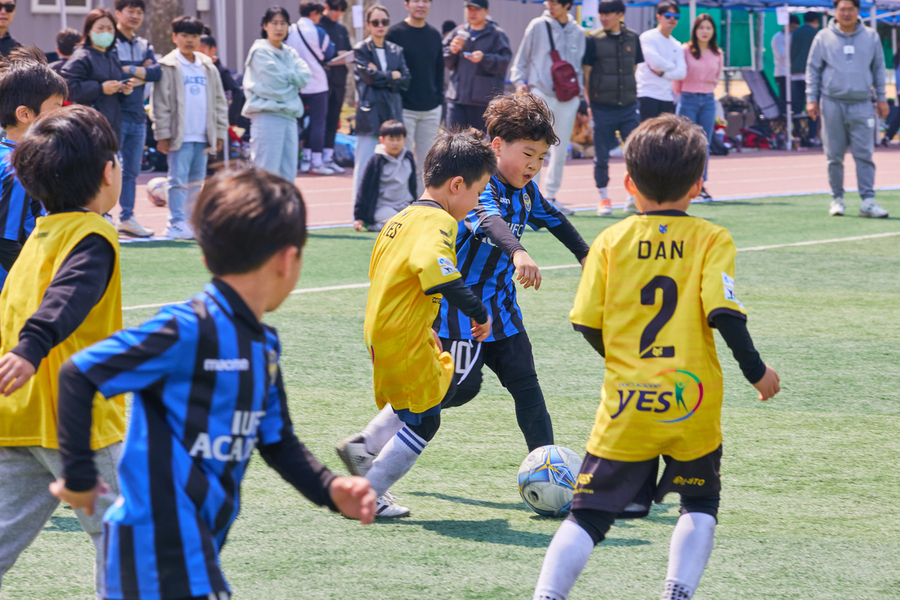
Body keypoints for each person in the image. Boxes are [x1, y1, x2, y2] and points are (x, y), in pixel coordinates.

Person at [49, 167, 377, 600]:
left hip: (198, 545)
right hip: (155, 547)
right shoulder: (184, 329)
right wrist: (78, 477)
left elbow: (277, 442)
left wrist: (330, 488)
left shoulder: (264, 346)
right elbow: (79, 374)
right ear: (287, 259)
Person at [531, 114, 781, 600]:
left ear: (628, 181)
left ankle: (546, 596)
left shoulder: (607, 241)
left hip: (627, 403)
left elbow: (584, 320)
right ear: (698, 184)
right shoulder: (712, 239)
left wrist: (625, 363)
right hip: (693, 402)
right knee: (700, 501)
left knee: (588, 515)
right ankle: (676, 592)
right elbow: (725, 314)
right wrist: (757, 372)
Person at [338, 93, 590, 517]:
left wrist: (587, 255)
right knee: (450, 393)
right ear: (496, 147)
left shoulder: (527, 192)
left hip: (502, 313)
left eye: (541, 157)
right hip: (461, 314)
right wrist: (518, 253)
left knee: (527, 387)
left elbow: (554, 218)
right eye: (527, 153)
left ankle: (554, 474)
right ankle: (369, 444)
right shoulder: (479, 184)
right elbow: (489, 223)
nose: (533, 165)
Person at [0, 105, 126, 599]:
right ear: (106, 172)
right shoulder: (93, 234)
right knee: (127, 536)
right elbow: (68, 297)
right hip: (77, 423)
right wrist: (32, 347)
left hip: (18, 418)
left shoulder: (39, 234)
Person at [337, 129, 495, 518]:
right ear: (456, 185)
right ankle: (368, 494)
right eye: (477, 194)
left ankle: (365, 445)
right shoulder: (439, 222)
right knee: (426, 420)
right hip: (402, 334)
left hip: (384, 329)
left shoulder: (401, 217)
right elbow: (438, 273)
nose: (476, 203)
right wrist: (478, 312)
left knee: (430, 393)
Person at [806, 0, 890, 218]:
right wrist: (811, 98)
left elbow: (879, 68)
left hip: (863, 103)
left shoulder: (871, 37)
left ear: (857, 11)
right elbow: (813, 69)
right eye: (842, 9)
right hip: (831, 102)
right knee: (833, 155)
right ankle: (837, 199)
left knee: (864, 154)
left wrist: (882, 98)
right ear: (835, 11)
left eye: (850, 9)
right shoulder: (823, 37)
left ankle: (868, 201)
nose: (846, 13)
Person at [151, 16, 228, 239]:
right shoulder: (168, 65)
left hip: (203, 134)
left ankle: (190, 221)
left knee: (196, 181)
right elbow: (160, 103)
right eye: (184, 35)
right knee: (177, 180)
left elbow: (219, 100)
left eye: (194, 36)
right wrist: (162, 134)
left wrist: (220, 131)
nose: (189, 40)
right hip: (179, 135)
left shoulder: (207, 65)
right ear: (175, 37)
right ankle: (175, 222)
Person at [511, 0, 585, 216]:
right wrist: (518, 81)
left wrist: (579, 96)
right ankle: (530, 199)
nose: (550, 5)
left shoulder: (578, 32)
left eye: (555, 2)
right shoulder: (537, 25)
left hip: (568, 97)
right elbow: (522, 58)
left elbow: (578, 66)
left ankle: (550, 197)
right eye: (548, 1)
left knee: (560, 149)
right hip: (540, 92)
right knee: (534, 146)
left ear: (567, 4)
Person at [0, 48, 65, 291]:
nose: (62, 115)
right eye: (56, 107)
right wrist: (37, 285)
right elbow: (5, 243)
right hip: (12, 289)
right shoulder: (19, 169)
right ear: (25, 114)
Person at [582, 0, 643, 216]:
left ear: (620, 14)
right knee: (601, 155)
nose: (603, 18)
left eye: (608, 14)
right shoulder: (593, 39)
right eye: (601, 14)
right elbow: (587, 73)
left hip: (628, 105)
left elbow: (633, 68)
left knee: (636, 152)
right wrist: (590, 104)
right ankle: (603, 198)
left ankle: (633, 196)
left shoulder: (633, 38)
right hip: (602, 107)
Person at [242, 6, 311, 183]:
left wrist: (288, 77)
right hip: (267, 117)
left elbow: (305, 77)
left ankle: (283, 212)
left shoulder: (290, 52)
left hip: (289, 117)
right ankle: (262, 212)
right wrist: (292, 82)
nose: (279, 28)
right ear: (265, 25)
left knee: (288, 176)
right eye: (274, 23)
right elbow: (276, 85)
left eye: (283, 23)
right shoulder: (260, 51)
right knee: (266, 174)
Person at [351, 5, 410, 200]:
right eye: (375, 22)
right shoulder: (361, 49)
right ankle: (358, 215)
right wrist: (391, 76)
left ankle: (388, 210)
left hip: (392, 112)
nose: (380, 26)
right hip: (370, 115)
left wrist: (379, 75)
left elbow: (406, 80)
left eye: (384, 22)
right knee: (365, 164)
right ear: (368, 25)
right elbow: (369, 79)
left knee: (393, 167)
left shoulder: (396, 50)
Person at [387, 0, 444, 196]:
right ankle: (401, 202)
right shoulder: (394, 34)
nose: (421, 5)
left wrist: (439, 102)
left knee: (428, 161)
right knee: (402, 158)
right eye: (416, 1)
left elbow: (439, 72)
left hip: (430, 108)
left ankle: (422, 202)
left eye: (425, 1)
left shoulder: (435, 35)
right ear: (406, 4)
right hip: (404, 108)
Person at [113, 0, 160, 238]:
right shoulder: (110, 41)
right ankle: (106, 216)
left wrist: (130, 72)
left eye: (139, 11)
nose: (135, 15)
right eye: (130, 10)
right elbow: (112, 71)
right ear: (118, 12)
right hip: (115, 116)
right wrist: (141, 69)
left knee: (131, 171)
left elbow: (156, 72)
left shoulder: (144, 43)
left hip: (138, 117)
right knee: (111, 169)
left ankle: (127, 217)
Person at [61, 8, 135, 147]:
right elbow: (67, 87)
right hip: (87, 129)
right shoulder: (81, 56)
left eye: (110, 28)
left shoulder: (112, 57)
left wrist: (123, 90)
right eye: (100, 28)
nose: (106, 32)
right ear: (89, 31)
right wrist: (100, 88)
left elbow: (117, 96)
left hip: (111, 128)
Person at [674, 13, 723, 202]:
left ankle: (700, 184)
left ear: (713, 32)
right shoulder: (685, 50)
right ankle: (681, 184)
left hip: (709, 100)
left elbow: (717, 77)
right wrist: (684, 94)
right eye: (701, 27)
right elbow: (678, 79)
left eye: (708, 28)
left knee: (704, 143)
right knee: (684, 143)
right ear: (695, 30)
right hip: (687, 98)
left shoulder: (717, 53)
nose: (705, 31)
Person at [443, 0, 512, 131]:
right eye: (469, 9)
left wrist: (484, 58)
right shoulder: (459, 31)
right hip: (457, 97)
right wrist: (453, 50)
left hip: (483, 101)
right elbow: (443, 59)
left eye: (476, 9)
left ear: (486, 11)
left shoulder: (497, 34)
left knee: (481, 143)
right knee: (452, 139)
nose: (472, 13)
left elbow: (504, 62)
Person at [287, 0, 337, 175]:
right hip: (317, 83)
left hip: (296, 85)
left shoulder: (290, 30)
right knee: (317, 124)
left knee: (295, 123)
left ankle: (299, 159)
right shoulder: (318, 31)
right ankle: (316, 161)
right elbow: (329, 53)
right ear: (315, 12)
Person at [353, 120, 417, 232]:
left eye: (399, 139)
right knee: (400, 224)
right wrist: (359, 217)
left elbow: (412, 185)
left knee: (416, 225)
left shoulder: (408, 157)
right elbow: (364, 188)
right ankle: (374, 225)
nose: (395, 143)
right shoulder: (376, 161)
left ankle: (383, 226)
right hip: (382, 207)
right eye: (391, 139)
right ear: (381, 140)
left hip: (404, 206)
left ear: (404, 140)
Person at [636, 1, 685, 121]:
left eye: (676, 16)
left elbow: (682, 73)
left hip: (667, 97)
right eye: (668, 15)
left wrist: (663, 73)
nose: (672, 18)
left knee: (665, 137)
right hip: (647, 94)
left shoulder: (676, 44)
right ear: (658, 16)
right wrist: (673, 67)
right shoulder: (647, 37)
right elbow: (656, 64)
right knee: (646, 136)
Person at [319, 0, 352, 173]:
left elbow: (349, 50)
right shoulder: (318, 25)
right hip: (321, 80)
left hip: (339, 80)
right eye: (334, 10)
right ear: (326, 7)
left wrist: (344, 54)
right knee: (318, 121)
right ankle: (314, 157)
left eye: (340, 11)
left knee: (333, 120)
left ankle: (328, 157)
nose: (336, 14)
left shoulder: (341, 29)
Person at [199, 32, 246, 128]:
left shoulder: (220, 70)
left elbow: (236, 91)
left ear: (213, 50)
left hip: (218, 119)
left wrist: (231, 117)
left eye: (202, 53)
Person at [791, 12, 821, 117]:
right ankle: (812, 133)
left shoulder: (794, 33)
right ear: (816, 20)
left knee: (797, 106)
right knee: (814, 106)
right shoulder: (818, 34)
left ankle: (797, 130)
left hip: (795, 73)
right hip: (811, 75)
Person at [771, 15, 798, 114]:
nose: (794, 29)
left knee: (795, 100)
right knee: (784, 100)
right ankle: (783, 121)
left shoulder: (792, 36)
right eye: (793, 27)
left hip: (791, 74)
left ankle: (795, 124)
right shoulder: (777, 37)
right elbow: (781, 55)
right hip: (781, 74)